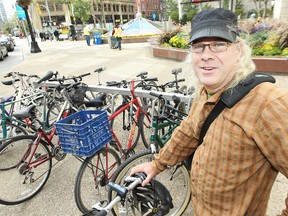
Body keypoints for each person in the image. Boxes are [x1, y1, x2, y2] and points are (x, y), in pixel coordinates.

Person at [131, 8, 288, 216]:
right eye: (198, 47)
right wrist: (157, 164)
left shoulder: (267, 103)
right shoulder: (207, 91)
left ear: (238, 50)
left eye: (218, 45)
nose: (206, 55)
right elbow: (189, 131)